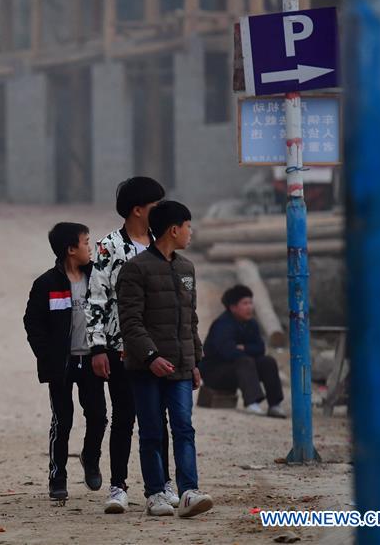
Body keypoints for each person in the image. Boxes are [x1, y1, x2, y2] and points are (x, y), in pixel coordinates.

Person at [118, 200, 213, 518]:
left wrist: (196, 360)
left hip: (182, 368)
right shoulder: (136, 269)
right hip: (147, 369)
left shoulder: (187, 268)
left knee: (184, 428)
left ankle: (189, 492)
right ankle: (156, 493)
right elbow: (130, 321)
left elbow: (191, 319)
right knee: (152, 431)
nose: (191, 232)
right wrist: (150, 356)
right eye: (188, 226)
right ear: (174, 229)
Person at [85, 177, 174, 513]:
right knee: (124, 416)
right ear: (138, 210)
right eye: (155, 206)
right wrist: (97, 347)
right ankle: (118, 486)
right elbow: (96, 298)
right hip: (120, 348)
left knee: (159, 417)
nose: (161, 212)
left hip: (161, 345)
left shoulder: (164, 242)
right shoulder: (109, 247)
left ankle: (163, 483)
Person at [24, 222, 107, 501]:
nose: (90, 248)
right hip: (62, 365)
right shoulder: (47, 284)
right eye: (86, 243)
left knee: (98, 416)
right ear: (71, 250)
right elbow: (33, 323)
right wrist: (47, 356)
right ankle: (57, 476)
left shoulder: (97, 278)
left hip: (93, 360)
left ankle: (90, 457)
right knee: (63, 420)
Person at [201, 285, 286, 418]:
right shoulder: (223, 324)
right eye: (245, 303)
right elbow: (227, 352)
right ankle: (252, 402)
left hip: (242, 369)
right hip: (216, 374)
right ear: (233, 307)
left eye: (251, 302)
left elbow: (260, 348)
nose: (249, 307)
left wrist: (244, 348)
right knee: (245, 361)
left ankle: (274, 405)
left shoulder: (251, 324)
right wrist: (247, 351)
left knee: (267, 361)